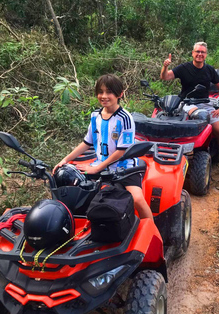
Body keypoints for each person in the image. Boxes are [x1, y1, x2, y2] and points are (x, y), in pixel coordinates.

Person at [53, 74, 153, 219]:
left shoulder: (125, 118)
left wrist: (97, 169)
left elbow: (121, 151)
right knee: (77, 194)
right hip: (100, 165)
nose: (104, 96)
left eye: (109, 92)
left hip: (124, 168)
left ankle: (153, 232)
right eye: (100, 92)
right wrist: (65, 159)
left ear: (120, 94)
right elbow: (87, 143)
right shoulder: (95, 116)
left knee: (137, 199)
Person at [160, 42, 219, 177]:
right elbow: (165, 77)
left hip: (205, 104)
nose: (200, 54)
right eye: (197, 52)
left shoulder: (209, 70)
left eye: (202, 52)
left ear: (205, 55)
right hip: (184, 104)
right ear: (192, 53)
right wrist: (165, 67)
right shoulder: (184, 67)